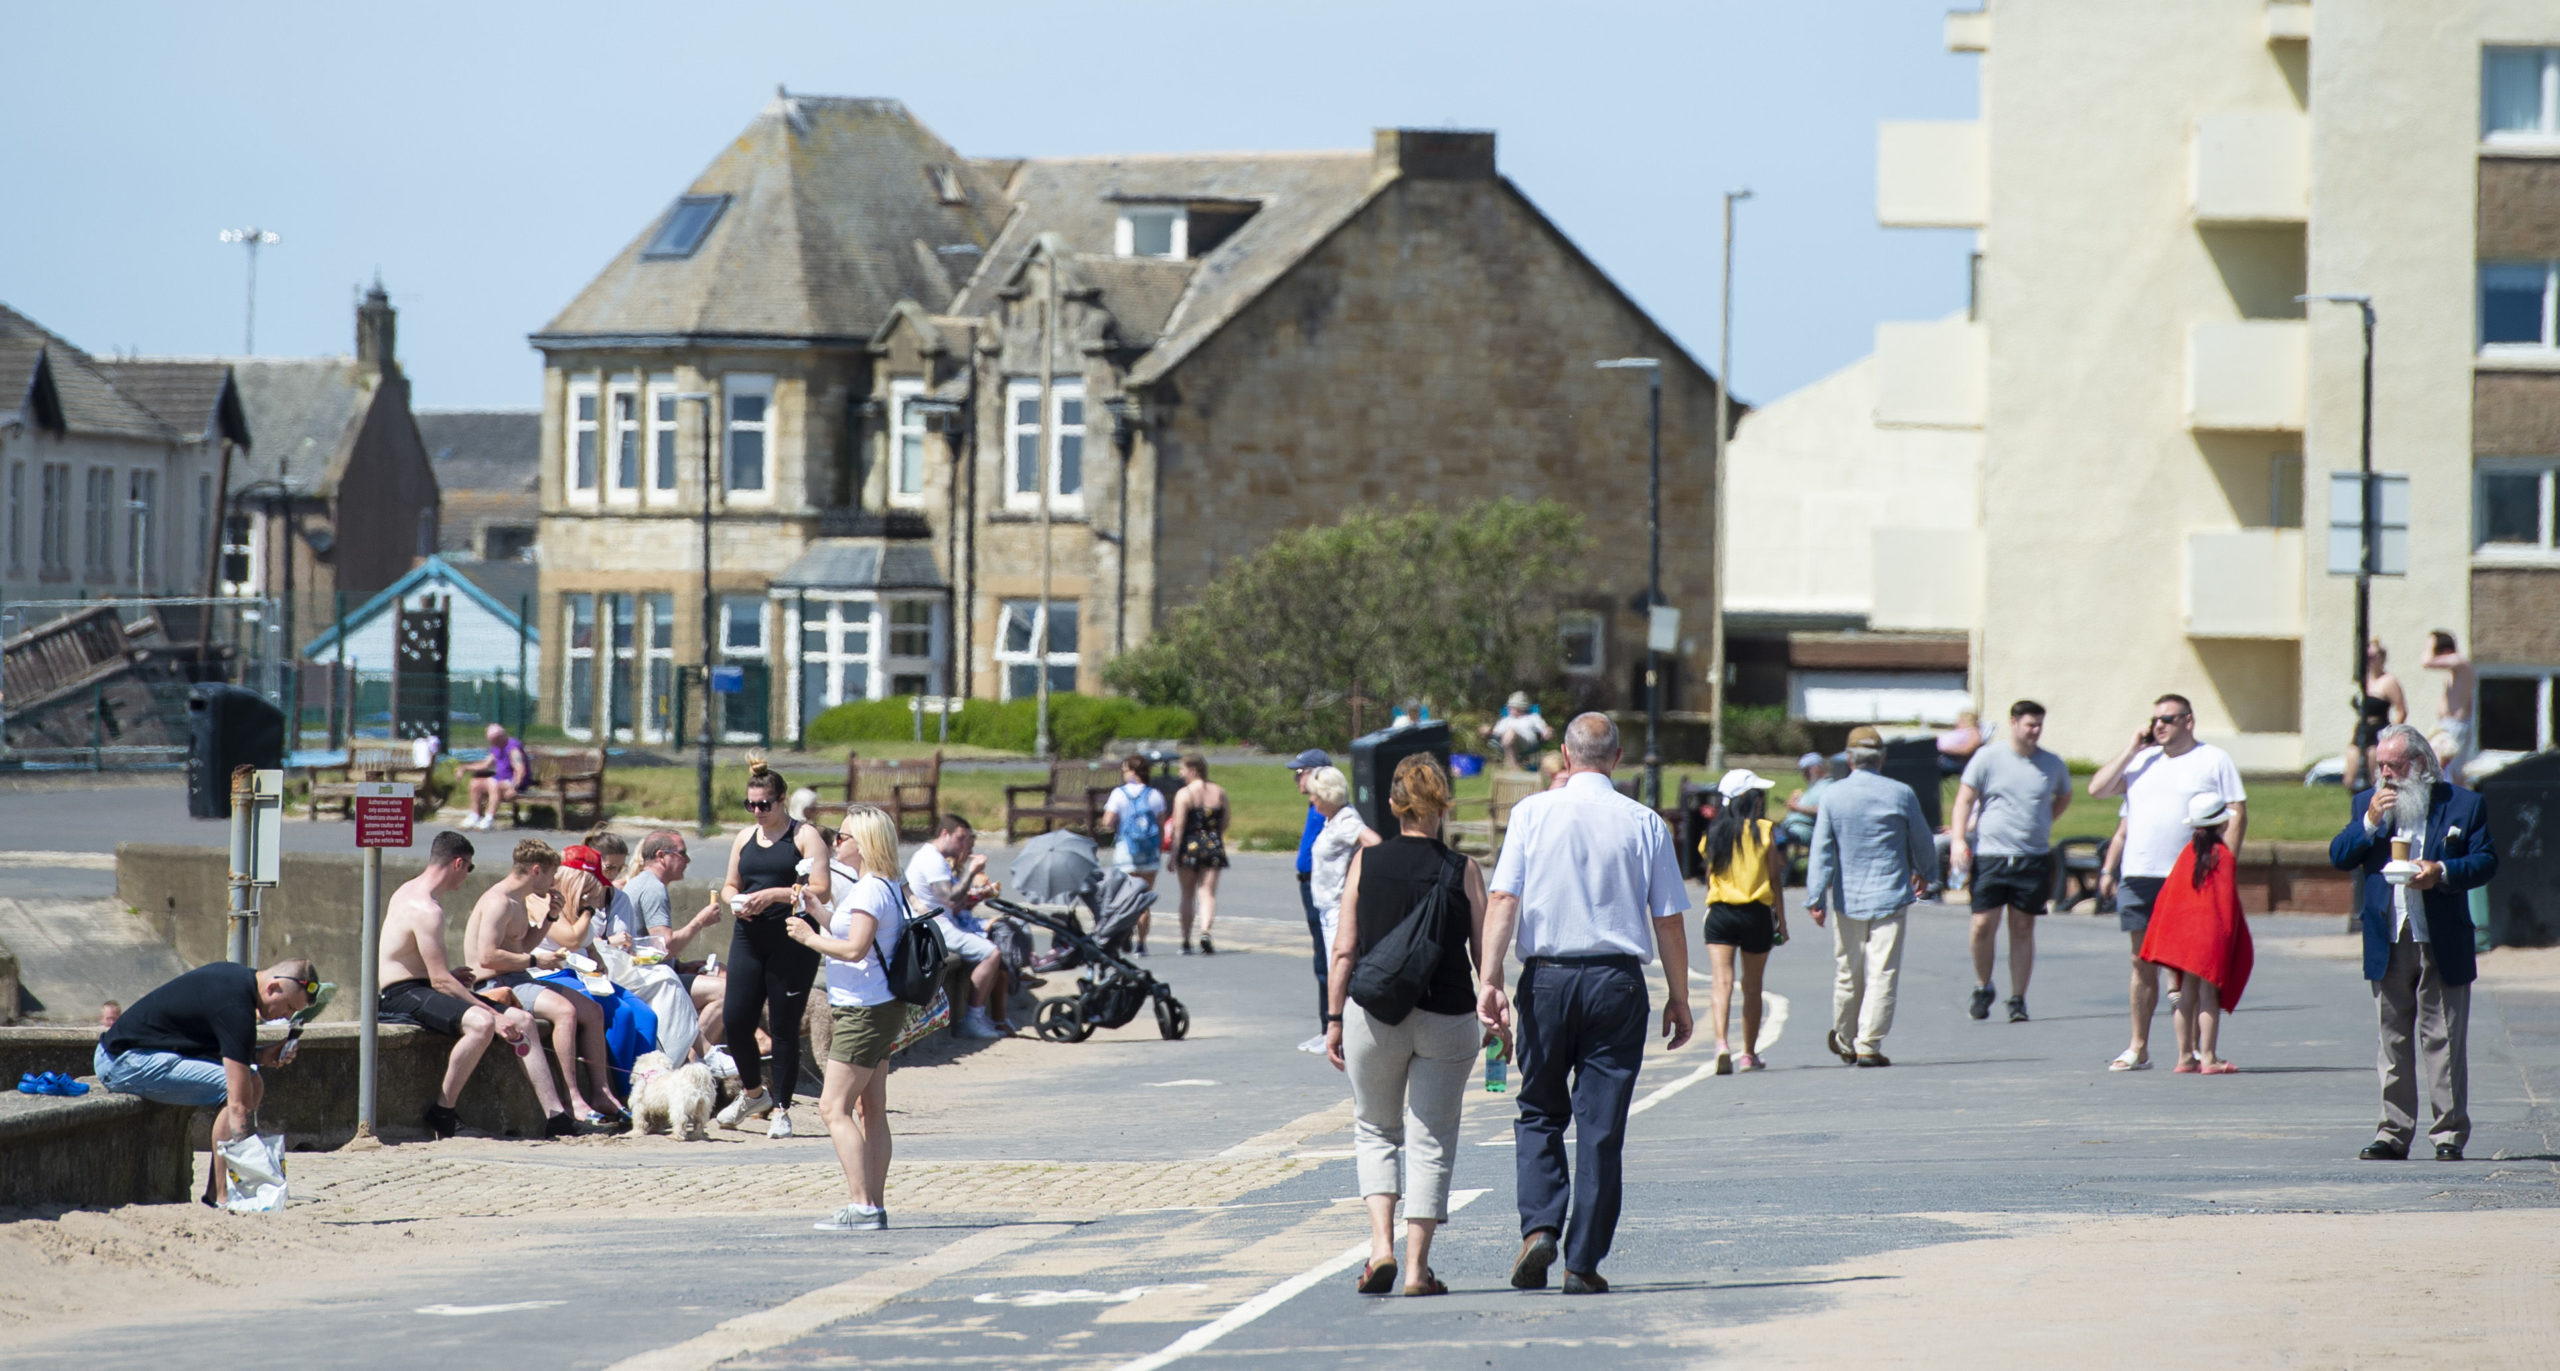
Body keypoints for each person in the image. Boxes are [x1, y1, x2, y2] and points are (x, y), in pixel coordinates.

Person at [1478, 713, 1693, 1295]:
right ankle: (1582, 1261)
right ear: (1617, 758)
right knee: (1601, 1128)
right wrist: (1680, 995)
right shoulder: (1644, 822)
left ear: (1566, 758)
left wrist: (1490, 978)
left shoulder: (1530, 814)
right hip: (1617, 982)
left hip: (1547, 979)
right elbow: (1667, 917)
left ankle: (1539, 1226)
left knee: (1540, 1109)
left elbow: (1502, 898)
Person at [1327, 754, 1487, 1298]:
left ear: (1394, 805)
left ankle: (1381, 1250)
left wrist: (1331, 1020)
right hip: (1448, 1018)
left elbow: (1345, 948)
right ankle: (1418, 1269)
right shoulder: (1463, 870)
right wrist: (1497, 1012)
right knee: (1431, 1139)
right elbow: (1485, 959)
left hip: (1374, 1016)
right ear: (1443, 805)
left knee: (1375, 1129)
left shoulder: (1365, 864)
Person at [2331, 723, 2498, 1161]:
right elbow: (2339, 855)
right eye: (2380, 765)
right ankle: (2393, 1131)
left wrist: (2441, 872)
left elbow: (2484, 861)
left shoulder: (2463, 805)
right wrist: (2369, 822)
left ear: (2420, 765)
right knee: (2393, 1041)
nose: (2385, 774)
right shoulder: (2366, 806)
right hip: (2389, 937)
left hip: (2439, 936)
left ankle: (2447, 1135)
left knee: (2442, 1038)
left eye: (2394, 765)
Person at [377, 829, 573, 1138]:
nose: (467, 877)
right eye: (469, 869)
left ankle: (556, 1116)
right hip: (399, 995)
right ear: (458, 863)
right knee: (482, 1024)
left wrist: (452, 976)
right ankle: (443, 1111)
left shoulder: (412, 892)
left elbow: (431, 971)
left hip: (420, 985)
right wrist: (495, 1015)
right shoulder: (427, 909)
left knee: (522, 1020)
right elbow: (439, 983)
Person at [2088, 693, 2246, 1072]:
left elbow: (2236, 811)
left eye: (2168, 719)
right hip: (2140, 874)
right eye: (2155, 719)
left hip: (2189, 878)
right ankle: (2137, 1047)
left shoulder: (2213, 760)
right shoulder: (2141, 761)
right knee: (2141, 962)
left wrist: (2225, 863)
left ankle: (2193, 1052)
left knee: (2189, 966)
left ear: (2188, 721)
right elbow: (2097, 789)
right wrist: (2131, 747)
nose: (2159, 725)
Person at [95, 958, 316, 1204]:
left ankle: (217, 1192)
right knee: (236, 1091)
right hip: (121, 1062)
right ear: (272, 988)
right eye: (288, 1007)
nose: (287, 1016)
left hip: (144, 1054)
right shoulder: (236, 1008)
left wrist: (261, 1055)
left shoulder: (235, 981)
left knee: (252, 1083)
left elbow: (206, 1044)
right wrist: (255, 1168)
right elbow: (238, 1103)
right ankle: (223, 1196)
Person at [789, 806, 911, 1231]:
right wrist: (817, 911)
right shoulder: (881, 886)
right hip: (878, 1005)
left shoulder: (870, 890)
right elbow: (855, 934)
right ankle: (873, 1203)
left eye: (840, 837)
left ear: (864, 842)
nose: (834, 844)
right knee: (870, 1106)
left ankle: (862, 1206)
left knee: (832, 1107)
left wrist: (810, 938)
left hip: (864, 1009)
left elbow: (856, 948)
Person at [464, 839, 623, 1124]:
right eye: (552, 875)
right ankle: (573, 1098)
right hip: (496, 982)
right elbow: (487, 957)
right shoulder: (499, 901)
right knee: (565, 1011)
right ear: (536, 870)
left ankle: (601, 1091)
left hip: (517, 975)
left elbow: (521, 945)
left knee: (593, 1011)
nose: (555, 882)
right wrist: (537, 962)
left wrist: (550, 918)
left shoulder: (520, 900)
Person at [1804, 726, 1935, 1068]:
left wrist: (1815, 896)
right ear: (1883, 759)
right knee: (1883, 972)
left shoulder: (1832, 796)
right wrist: (1925, 871)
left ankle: (1845, 1037)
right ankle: (1869, 1043)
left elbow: (1822, 851)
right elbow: (1923, 840)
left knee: (1848, 970)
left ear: (1848, 759)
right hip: (1890, 893)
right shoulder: (1901, 793)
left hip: (1848, 897)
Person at [716, 754, 832, 1139]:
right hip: (750, 936)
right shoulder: (745, 837)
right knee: (735, 1020)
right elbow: (731, 884)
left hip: (792, 937)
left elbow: (821, 888)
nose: (758, 812)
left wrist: (776, 894)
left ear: (782, 800)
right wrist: (736, 901)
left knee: (783, 1025)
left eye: (765, 804)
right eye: (751, 805)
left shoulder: (804, 835)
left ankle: (782, 1107)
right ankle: (754, 1094)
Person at [1949, 700, 2073, 1024]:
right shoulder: (1988, 758)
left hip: (2031, 858)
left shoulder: (2052, 764)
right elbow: (1964, 799)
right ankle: (1982, 985)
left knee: (2022, 926)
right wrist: (1959, 840)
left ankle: (2018, 998)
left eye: (2039, 725)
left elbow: (2064, 796)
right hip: (1991, 855)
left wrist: (2044, 820)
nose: (2035, 731)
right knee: (1981, 925)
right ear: (2014, 723)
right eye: (2030, 724)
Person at [2139, 792, 2255, 1074]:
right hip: (2209, 937)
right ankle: (2209, 1057)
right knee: (2208, 995)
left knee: (2185, 992)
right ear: (2222, 824)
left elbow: (2172, 898)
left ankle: (2184, 1057)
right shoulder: (2223, 855)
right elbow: (2226, 903)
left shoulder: (2187, 854)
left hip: (2184, 936)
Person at [579, 832, 697, 1063]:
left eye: (619, 868)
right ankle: (692, 1058)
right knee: (667, 982)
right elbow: (573, 939)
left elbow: (627, 945)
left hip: (618, 968)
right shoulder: (577, 896)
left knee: (657, 1000)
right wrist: (699, 922)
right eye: (608, 867)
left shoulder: (619, 898)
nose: (612, 875)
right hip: (587, 971)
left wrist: (623, 944)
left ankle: (676, 1060)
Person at [1700, 769, 1787, 1075]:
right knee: (1752, 986)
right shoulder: (1764, 830)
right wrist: (1782, 922)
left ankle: (1721, 1044)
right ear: (1748, 800)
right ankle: (1749, 1054)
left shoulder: (1714, 832)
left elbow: (1710, 873)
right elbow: (1775, 877)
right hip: (1756, 914)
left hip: (1721, 913)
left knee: (1721, 981)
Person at [906, 814, 1011, 1039]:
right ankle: (972, 1019)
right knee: (991, 953)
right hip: (932, 926)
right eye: (960, 838)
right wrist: (972, 871)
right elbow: (950, 899)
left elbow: (953, 904)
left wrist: (976, 895)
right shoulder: (931, 859)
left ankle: (983, 1016)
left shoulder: (936, 858)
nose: (964, 845)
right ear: (945, 834)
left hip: (943, 921)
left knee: (999, 937)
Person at [623, 830, 729, 1048]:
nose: (688, 860)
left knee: (719, 981)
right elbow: (664, 947)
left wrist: (682, 966)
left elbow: (650, 946)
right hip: (650, 983)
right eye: (682, 853)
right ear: (662, 856)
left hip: (644, 975)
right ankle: (695, 1057)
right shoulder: (653, 888)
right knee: (730, 992)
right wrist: (699, 922)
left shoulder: (641, 883)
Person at [1306, 763, 1380, 1055]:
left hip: (1339, 907)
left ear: (1327, 795)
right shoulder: (1331, 820)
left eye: (1314, 795)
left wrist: (1357, 877)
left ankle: (1346, 1032)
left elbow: (1373, 843)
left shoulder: (1347, 819)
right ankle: (1343, 1032)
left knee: (1342, 968)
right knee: (1334, 967)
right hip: (1326, 906)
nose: (1311, 800)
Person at [1101, 754, 1168, 954]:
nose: (1123, 774)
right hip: (1149, 854)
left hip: (1126, 853)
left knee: (1126, 898)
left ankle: (1126, 931)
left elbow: (1107, 822)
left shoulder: (1119, 794)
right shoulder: (1155, 795)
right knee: (1144, 900)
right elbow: (1162, 826)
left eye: (1124, 770)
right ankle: (1142, 944)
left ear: (1132, 771)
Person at [1291, 749, 1334, 1052]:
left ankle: (1331, 1027)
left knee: (1327, 958)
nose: (1296, 779)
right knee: (1320, 958)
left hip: (1322, 889)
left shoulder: (1328, 809)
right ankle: (1325, 1026)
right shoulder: (1313, 807)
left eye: (1300, 772)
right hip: (1308, 885)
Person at [1167, 754, 1231, 955]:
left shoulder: (1184, 794)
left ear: (1193, 770)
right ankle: (1205, 931)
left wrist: (1173, 854)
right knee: (1207, 893)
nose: (1180, 773)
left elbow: (1179, 827)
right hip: (1213, 845)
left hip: (1189, 845)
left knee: (1187, 894)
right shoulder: (1219, 792)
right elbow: (1226, 820)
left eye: (1182, 769)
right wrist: (1215, 836)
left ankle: (1186, 940)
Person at [2349, 639, 2411, 792]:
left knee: (2372, 776)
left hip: (2378, 730)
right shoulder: (2364, 681)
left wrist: (2392, 735)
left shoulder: (2389, 681)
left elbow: (2401, 710)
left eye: (2374, 656)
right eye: (2367, 656)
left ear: (2382, 658)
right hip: (2361, 729)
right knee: (2350, 777)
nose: (2370, 659)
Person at [2423, 630, 2476, 782]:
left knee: (2446, 771)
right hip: (2448, 725)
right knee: (2445, 771)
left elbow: (2426, 662)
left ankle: (2454, 804)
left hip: (2454, 726)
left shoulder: (2460, 662)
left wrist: (2431, 641)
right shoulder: (2455, 671)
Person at [461, 722, 531, 831]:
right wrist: (465, 768)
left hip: (514, 781)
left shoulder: (513, 748)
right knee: (475, 784)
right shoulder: (496, 747)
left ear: (501, 737)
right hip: (500, 780)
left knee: (492, 783)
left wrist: (514, 787)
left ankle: (489, 818)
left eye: (494, 741)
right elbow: (485, 765)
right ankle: (475, 815)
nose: (493, 744)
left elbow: (520, 770)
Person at [1775, 751, 1831, 858]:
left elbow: (1823, 810)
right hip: (1792, 828)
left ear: (1816, 768)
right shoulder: (1814, 786)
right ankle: (1785, 870)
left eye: (1806, 771)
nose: (1804, 775)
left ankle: (1783, 871)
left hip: (1804, 831)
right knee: (1767, 834)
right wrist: (1795, 802)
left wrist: (1797, 807)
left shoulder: (1827, 787)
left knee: (1773, 838)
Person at [1482, 691, 1552, 770]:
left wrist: (1547, 732)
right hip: (1508, 742)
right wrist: (1487, 731)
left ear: (1520, 708)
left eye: (1511, 707)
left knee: (1511, 732)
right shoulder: (1506, 720)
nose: (1508, 709)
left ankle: (1513, 767)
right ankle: (1514, 768)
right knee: (1509, 734)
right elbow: (1495, 733)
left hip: (1527, 743)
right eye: (1508, 707)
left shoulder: (1532, 717)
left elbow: (1546, 729)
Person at [1936, 709, 1984, 776]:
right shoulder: (1963, 732)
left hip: (1956, 762)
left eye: (1960, 721)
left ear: (1966, 722)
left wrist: (1945, 748)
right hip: (1947, 757)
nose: (1957, 724)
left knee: (1927, 764)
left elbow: (1967, 750)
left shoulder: (1974, 733)